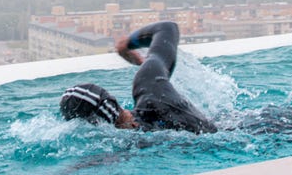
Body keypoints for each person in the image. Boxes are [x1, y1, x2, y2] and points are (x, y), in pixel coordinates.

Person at [60, 21, 217, 134]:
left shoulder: (127, 148)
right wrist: (127, 45)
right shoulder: (150, 88)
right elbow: (167, 28)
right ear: (111, 99)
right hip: (230, 131)